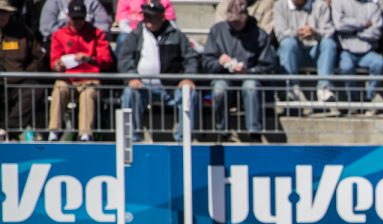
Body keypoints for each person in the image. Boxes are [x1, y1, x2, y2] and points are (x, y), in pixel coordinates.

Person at [118, 0, 198, 142]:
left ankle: (183, 139)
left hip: (171, 87)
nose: (148, 19)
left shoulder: (176, 35)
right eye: (146, 16)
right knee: (129, 94)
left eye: (152, 16)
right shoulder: (136, 35)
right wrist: (131, 77)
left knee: (189, 94)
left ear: (162, 17)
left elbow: (190, 58)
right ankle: (133, 139)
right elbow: (125, 59)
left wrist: (188, 78)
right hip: (143, 87)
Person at [203, 0, 277, 140]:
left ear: (246, 16)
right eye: (232, 20)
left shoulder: (259, 34)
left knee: (251, 86)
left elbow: (267, 67)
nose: (235, 24)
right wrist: (219, 62)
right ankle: (222, 132)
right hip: (224, 77)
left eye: (238, 21)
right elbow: (207, 62)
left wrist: (248, 71)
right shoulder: (217, 31)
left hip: (249, 77)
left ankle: (254, 133)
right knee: (219, 89)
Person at [47, 0, 113, 141]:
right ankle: (54, 131)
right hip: (68, 78)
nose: (78, 22)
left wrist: (89, 59)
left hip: (89, 78)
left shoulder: (96, 34)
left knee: (88, 93)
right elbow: (54, 61)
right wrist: (57, 65)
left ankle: (85, 134)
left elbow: (107, 60)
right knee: (59, 89)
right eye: (75, 18)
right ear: (68, 16)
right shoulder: (59, 35)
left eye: (81, 18)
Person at [273, 0, 338, 102]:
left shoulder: (321, 5)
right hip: (293, 52)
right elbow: (280, 33)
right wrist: (298, 33)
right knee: (287, 43)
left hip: (316, 51)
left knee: (329, 44)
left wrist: (314, 32)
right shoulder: (280, 5)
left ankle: (324, 88)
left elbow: (328, 31)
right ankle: (291, 88)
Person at [0, 0, 45, 141]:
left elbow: (39, 58)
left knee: (34, 89)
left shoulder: (23, 32)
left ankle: (9, 130)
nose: (2, 16)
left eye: (4, 13)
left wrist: (24, 72)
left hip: (18, 81)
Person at [331, 0, 383, 103]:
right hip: (347, 51)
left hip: (368, 50)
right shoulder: (339, 2)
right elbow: (339, 25)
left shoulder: (373, 6)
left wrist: (354, 32)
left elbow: (376, 32)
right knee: (346, 67)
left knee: (379, 63)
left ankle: (370, 97)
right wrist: (363, 24)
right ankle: (353, 99)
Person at [39, 0, 109, 45]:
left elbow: (103, 27)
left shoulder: (92, 2)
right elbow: (46, 28)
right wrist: (69, 39)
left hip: (89, 44)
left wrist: (83, 40)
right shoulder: (53, 2)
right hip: (59, 45)